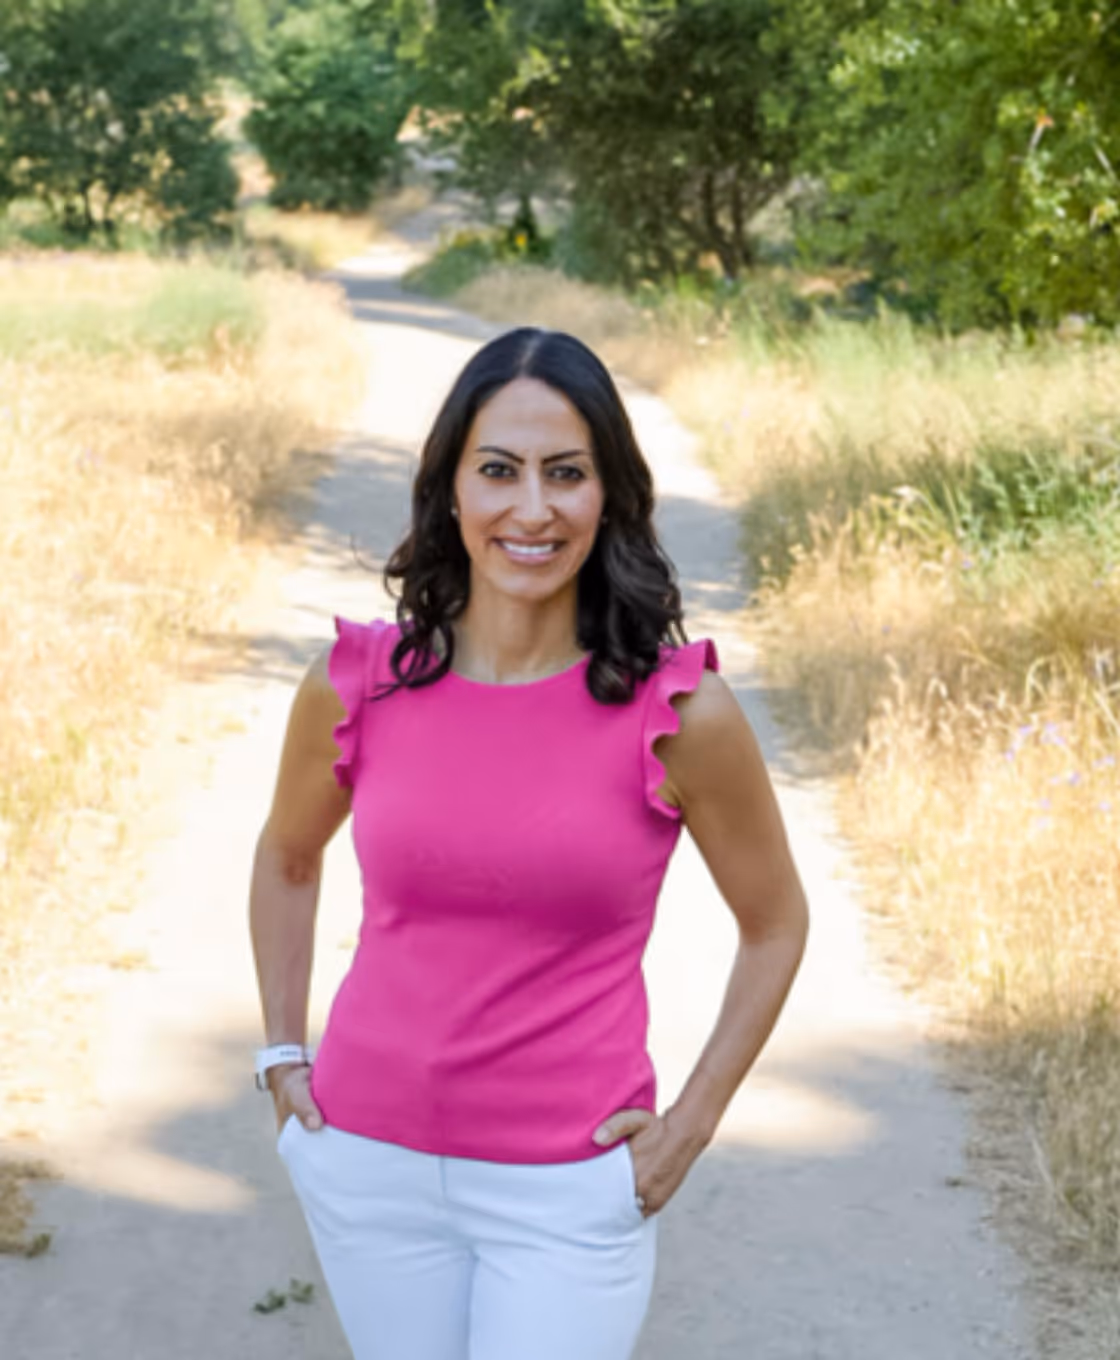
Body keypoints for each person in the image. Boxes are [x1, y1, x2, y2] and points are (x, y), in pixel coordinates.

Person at [249, 327, 809, 1360]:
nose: (533, 508)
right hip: (366, 1162)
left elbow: (774, 924)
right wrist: (282, 1056)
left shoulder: (678, 710)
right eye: (499, 470)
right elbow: (287, 858)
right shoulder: (357, 682)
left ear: (610, 496)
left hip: (567, 1186)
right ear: (450, 489)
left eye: (567, 473)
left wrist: (690, 1125)